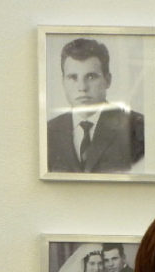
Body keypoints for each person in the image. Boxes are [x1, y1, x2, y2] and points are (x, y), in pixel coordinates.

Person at [47, 37, 145, 173]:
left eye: (91, 77)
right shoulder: (48, 131)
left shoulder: (138, 128)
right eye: (73, 77)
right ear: (63, 82)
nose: (82, 87)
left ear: (108, 80)